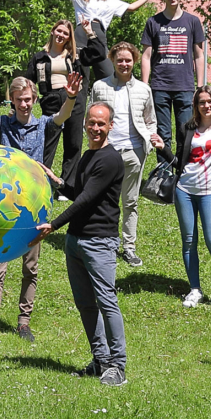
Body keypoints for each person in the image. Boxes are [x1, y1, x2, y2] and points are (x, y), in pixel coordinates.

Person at [0, 66, 83, 343]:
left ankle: (24, 323)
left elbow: (63, 115)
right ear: (13, 101)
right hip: (4, 204)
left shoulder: (43, 125)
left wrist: (71, 97)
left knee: (30, 268)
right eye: (19, 99)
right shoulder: (3, 125)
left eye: (28, 99)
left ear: (34, 99)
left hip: (33, 206)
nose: (24, 104)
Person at [33, 103, 128, 387]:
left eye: (101, 124)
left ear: (110, 125)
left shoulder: (110, 160)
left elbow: (87, 200)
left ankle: (118, 365)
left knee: (106, 302)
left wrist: (54, 225)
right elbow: (78, 192)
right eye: (91, 123)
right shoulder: (89, 155)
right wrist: (57, 181)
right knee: (86, 304)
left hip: (99, 241)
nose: (95, 128)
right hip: (76, 241)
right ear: (85, 123)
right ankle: (100, 360)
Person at [154, 85, 211, 311]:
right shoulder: (187, 127)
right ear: (196, 105)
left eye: (210, 101)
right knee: (189, 241)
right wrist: (163, 149)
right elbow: (180, 162)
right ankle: (195, 289)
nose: (206, 106)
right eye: (201, 102)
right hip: (185, 189)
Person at [90, 42, 157, 267]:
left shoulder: (143, 90)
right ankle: (104, 242)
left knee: (130, 202)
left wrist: (150, 138)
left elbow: (150, 120)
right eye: (120, 60)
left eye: (128, 60)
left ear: (135, 61)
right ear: (113, 61)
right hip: (107, 153)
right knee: (102, 200)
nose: (124, 64)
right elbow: (90, 120)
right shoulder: (100, 86)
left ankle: (129, 247)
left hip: (134, 151)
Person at [27, 18, 107, 182]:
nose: (61, 35)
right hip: (51, 101)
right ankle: (42, 180)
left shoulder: (75, 56)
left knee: (73, 143)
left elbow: (99, 53)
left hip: (74, 100)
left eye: (66, 33)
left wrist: (90, 33)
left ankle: (68, 186)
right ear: (52, 31)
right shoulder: (40, 57)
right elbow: (27, 81)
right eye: (59, 31)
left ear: (69, 37)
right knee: (47, 143)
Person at [141, 0, 206, 155]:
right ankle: (164, 176)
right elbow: (146, 57)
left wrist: (199, 87)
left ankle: (182, 173)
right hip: (159, 86)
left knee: (185, 133)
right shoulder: (153, 22)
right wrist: (145, 86)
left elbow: (199, 56)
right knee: (163, 134)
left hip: (185, 86)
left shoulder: (192, 21)